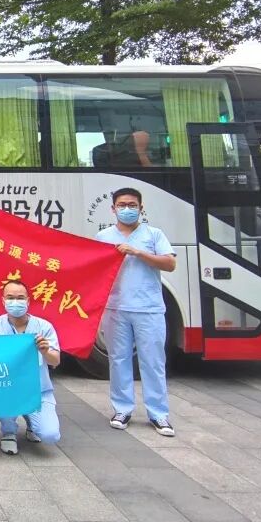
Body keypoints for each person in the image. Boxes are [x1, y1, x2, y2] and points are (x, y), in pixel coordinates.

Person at [96, 187, 177, 437]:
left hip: (148, 308)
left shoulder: (154, 234)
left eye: (132, 205)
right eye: (122, 205)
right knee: (118, 360)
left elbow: (170, 263)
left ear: (141, 208)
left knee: (153, 361)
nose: (127, 209)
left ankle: (158, 414)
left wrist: (138, 252)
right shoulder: (103, 236)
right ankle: (122, 409)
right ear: (113, 209)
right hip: (115, 308)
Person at [0, 277, 61, 453]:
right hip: (8, 387)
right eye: (10, 297)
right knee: (1, 390)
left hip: (38, 390)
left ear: (28, 301)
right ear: (3, 301)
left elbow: (55, 361)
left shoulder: (43, 326)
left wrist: (45, 351)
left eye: (20, 298)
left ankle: (32, 423)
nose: (15, 302)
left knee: (50, 435)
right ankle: (8, 431)